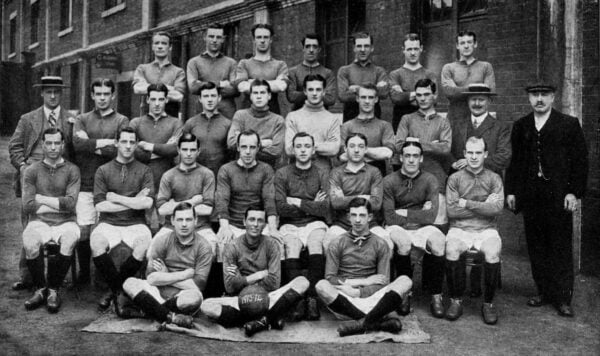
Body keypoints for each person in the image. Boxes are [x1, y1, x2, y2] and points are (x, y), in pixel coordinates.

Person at [505, 83, 588, 317]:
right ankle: (543, 291)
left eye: (544, 95)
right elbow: (515, 163)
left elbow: (580, 161)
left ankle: (563, 298)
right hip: (531, 196)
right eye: (534, 95)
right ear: (529, 98)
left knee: (560, 245)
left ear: (553, 97)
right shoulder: (521, 126)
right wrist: (511, 191)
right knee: (537, 245)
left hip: (559, 196)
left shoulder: (568, 124)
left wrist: (574, 192)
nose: (539, 99)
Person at [8, 76, 75, 291]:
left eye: (56, 91)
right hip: (33, 177)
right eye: (48, 92)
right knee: (31, 224)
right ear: (42, 93)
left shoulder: (71, 118)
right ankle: (28, 276)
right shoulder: (28, 119)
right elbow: (14, 147)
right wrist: (22, 167)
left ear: (61, 93)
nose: (53, 96)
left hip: (59, 178)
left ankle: (56, 276)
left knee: (60, 220)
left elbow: (74, 150)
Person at [201, 206, 309, 337]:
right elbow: (230, 286)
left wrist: (246, 284)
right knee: (206, 306)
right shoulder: (232, 247)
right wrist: (254, 277)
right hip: (239, 297)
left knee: (302, 282)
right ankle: (269, 318)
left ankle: (261, 321)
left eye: (260, 220)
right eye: (251, 219)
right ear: (244, 222)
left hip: (268, 296)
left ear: (264, 224)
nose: (255, 224)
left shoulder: (271, 245)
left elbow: (274, 282)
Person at [315, 198, 410, 336]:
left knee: (405, 281)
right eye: (353, 215)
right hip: (346, 300)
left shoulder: (380, 243)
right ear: (348, 217)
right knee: (321, 285)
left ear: (370, 217)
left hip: (374, 300)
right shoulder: (337, 242)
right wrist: (362, 283)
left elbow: (383, 282)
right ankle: (375, 322)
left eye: (362, 215)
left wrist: (360, 292)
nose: (357, 220)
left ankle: (362, 324)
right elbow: (330, 279)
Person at [72, 78, 129, 285]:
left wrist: (92, 144)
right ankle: (84, 274)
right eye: (99, 94)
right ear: (92, 95)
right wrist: (105, 143)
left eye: (107, 94)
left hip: (111, 185)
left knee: (108, 228)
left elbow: (121, 148)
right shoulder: (82, 118)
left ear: (113, 95)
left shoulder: (122, 121)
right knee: (85, 228)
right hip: (86, 182)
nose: (103, 98)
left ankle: (105, 276)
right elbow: (77, 144)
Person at [90, 127, 154, 312]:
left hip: (136, 224)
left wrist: (116, 197)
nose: (127, 146)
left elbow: (147, 204)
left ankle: (113, 290)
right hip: (108, 223)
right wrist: (134, 201)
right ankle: (119, 290)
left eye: (131, 142)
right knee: (96, 243)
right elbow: (100, 205)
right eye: (124, 141)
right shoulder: (103, 170)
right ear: (117, 143)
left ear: (136, 144)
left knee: (143, 245)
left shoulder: (145, 171)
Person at [122, 203, 213, 328]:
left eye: (189, 219)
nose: (184, 224)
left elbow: (198, 286)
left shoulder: (204, 246)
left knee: (194, 298)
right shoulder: (162, 240)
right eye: (180, 219)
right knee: (129, 282)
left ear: (196, 221)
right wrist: (183, 275)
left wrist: (165, 275)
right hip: (156, 293)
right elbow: (151, 278)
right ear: (172, 221)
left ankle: (149, 311)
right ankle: (171, 317)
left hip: (182, 296)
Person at [382, 140, 446, 318]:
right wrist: (418, 212)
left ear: (421, 158)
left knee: (439, 242)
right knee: (403, 243)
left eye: (415, 156)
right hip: (396, 227)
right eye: (407, 156)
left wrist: (405, 212)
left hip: (422, 226)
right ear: (401, 157)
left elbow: (431, 216)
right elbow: (389, 217)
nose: (411, 160)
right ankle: (404, 294)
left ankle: (436, 295)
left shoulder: (430, 179)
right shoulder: (389, 181)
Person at [445, 137, 504, 325]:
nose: (474, 156)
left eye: (478, 152)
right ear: (464, 154)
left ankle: (488, 304)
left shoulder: (494, 178)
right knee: (452, 249)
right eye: (470, 152)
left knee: (493, 253)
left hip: (487, 229)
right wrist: (484, 205)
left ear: (485, 154)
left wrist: (467, 203)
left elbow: (497, 209)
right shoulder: (455, 178)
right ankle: (456, 300)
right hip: (459, 229)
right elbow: (452, 210)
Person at [21, 128, 80, 313]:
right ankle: (40, 289)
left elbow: (70, 204)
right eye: (49, 143)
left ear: (63, 145)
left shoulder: (72, 169)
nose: (53, 147)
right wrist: (56, 204)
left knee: (69, 240)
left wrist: (42, 199)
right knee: (30, 242)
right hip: (40, 221)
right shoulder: (32, 170)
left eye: (57, 143)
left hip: (67, 221)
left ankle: (54, 289)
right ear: (42, 145)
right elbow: (28, 206)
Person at [275, 132, 330, 320]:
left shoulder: (321, 173)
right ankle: (297, 298)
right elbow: (281, 208)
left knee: (316, 243)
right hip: (290, 224)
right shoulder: (282, 173)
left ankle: (312, 298)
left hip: (314, 223)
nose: (303, 150)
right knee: (292, 246)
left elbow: (324, 209)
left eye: (307, 146)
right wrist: (310, 205)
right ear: (292, 149)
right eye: (299, 146)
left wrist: (297, 202)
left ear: (313, 149)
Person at [155, 133, 217, 258]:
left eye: (193, 150)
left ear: (198, 151)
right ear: (178, 150)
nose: (188, 154)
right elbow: (162, 210)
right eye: (185, 149)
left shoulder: (207, 174)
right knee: (152, 251)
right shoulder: (169, 175)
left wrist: (173, 205)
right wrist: (193, 202)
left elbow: (207, 209)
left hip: (200, 227)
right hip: (171, 227)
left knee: (211, 250)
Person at [216, 130, 281, 246]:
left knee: (276, 245)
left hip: (259, 224)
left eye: (252, 147)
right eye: (244, 147)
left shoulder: (266, 170)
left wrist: (272, 228)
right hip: (233, 224)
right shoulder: (226, 170)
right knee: (223, 246)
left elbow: (269, 200)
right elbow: (222, 202)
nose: (247, 152)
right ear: (237, 147)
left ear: (258, 148)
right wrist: (225, 228)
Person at [325, 133, 388, 250]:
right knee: (328, 243)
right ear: (345, 149)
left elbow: (376, 204)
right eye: (352, 146)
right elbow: (336, 203)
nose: (356, 150)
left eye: (360, 146)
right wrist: (364, 197)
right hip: (343, 223)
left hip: (370, 223)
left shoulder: (374, 172)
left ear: (365, 149)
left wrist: (345, 198)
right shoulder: (336, 173)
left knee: (387, 243)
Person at [395, 78, 451, 187]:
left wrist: (416, 142)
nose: (422, 98)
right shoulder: (407, 119)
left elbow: (446, 148)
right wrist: (433, 145)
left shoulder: (443, 122)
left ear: (434, 96)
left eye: (426, 94)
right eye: (419, 95)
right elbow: (398, 145)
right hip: (410, 174)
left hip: (435, 173)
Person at [129, 83, 183, 193]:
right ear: (147, 100)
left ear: (166, 100)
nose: (157, 104)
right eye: (153, 99)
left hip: (167, 183)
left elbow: (175, 149)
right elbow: (129, 150)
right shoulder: (136, 123)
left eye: (161, 99)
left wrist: (148, 146)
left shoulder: (175, 123)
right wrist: (164, 150)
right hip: (140, 183)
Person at [284, 74, 342, 173]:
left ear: (324, 92)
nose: (314, 93)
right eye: (310, 90)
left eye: (318, 90)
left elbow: (334, 149)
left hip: (323, 173)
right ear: (305, 91)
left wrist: (302, 146)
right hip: (296, 173)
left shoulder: (332, 119)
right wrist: (321, 147)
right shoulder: (293, 117)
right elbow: (289, 149)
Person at [450, 84, 511, 176]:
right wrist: (454, 163)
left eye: (481, 100)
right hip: (461, 181)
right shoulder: (457, 124)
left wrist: (472, 162)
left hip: (489, 182)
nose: (477, 103)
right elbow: (449, 152)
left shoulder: (501, 127)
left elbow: (504, 157)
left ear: (489, 101)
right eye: (473, 99)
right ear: (468, 101)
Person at [227, 79, 285, 168]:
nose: (259, 96)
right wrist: (263, 143)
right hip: (241, 169)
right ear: (250, 96)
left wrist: (243, 143)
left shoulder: (278, 120)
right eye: (255, 93)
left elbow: (276, 151)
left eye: (262, 93)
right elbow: (231, 143)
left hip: (267, 170)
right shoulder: (240, 115)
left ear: (269, 96)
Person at [340, 83, 395, 176]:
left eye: (370, 97)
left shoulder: (385, 126)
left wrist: (358, 151)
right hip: (352, 178)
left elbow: (387, 153)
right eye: (363, 97)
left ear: (376, 99)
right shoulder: (347, 126)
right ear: (357, 99)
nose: (367, 101)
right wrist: (375, 154)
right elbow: (342, 156)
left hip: (378, 177)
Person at [441, 31, 495, 123]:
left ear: (475, 44)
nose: (466, 46)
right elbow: (449, 92)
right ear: (457, 46)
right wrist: (476, 89)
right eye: (462, 43)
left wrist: (459, 90)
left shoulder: (485, 67)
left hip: (478, 119)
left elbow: (489, 93)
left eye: (469, 42)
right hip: (455, 118)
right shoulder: (449, 67)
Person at [186, 24, 238, 119]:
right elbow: (193, 87)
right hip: (202, 113)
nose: (214, 40)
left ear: (223, 39)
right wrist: (221, 84)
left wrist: (202, 85)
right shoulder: (194, 62)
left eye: (218, 37)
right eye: (211, 36)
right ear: (204, 37)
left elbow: (234, 89)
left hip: (226, 114)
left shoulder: (231, 63)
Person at [235, 23, 288, 115]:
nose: (262, 41)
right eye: (259, 37)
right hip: (248, 113)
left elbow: (281, 86)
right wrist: (272, 83)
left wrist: (252, 82)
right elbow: (242, 86)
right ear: (254, 40)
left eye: (266, 37)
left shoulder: (280, 65)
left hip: (272, 113)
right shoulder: (244, 63)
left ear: (271, 39)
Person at [181, 82, 232, 177]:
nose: (209, 100)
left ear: (219, 98)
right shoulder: (190, 123)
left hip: (219, 175)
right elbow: (181, 151)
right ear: (200, 99)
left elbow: (231, 155)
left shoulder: (228, 124)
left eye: (213, 96)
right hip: (194, 175)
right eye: (206, 96)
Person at [389, 33, 437, 133]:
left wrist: (405, 94)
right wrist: (422, 94)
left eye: (415, 49)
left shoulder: (429, 75)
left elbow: (433, 100)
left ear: (421, 48)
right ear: (403, 50)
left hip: (424, 123)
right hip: (401, 124)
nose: (413, 53)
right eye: (409, 49)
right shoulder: (395, 74)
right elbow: (396, 98)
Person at [337, 32, 388, 122]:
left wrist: (355, 89)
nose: (363, 49)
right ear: (354, 48)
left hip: (374, 122)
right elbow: (342, 96)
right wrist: (375, 88)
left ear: (372, 48)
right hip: (350, 121)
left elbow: (384, 94)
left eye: (366, 46)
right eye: (359, 46)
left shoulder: (379, 71)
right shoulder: (344, 70)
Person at [133, 31, 186, 117]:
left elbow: (179, 96)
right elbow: (137, 89)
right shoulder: (142, 68)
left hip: (170, 120)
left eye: (164, 43)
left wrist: (149, 88)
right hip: (146, 120)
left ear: (170, 47)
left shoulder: (178, 71)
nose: (160, 46)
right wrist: (169, 88)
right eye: (157, 43)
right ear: (152, 47)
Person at [286, 33, 336, 111]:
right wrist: (318, 93)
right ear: (303, 48)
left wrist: (303, 93)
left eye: (314, 47)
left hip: (321, 117)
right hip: (300, 117)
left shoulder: (327, 73)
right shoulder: (293, 72)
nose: (311, 50)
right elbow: (291, 96)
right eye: (308, 46)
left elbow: (331, 99)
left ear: (319, 49)